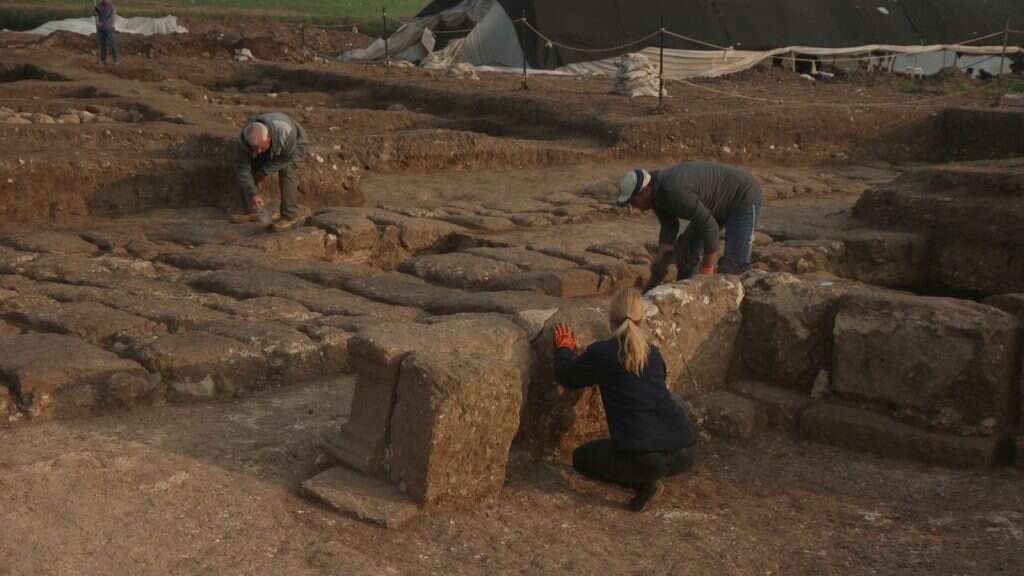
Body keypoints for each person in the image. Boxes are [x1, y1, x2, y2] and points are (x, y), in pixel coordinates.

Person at [552, 287, 698, 512]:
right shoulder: (653, 353)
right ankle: (649, 476)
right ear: (640, 321)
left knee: (581, 459)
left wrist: (564, 350)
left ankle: (644, 483)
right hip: (685, 451)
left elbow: (566, 376)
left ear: (611, 320)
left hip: (646, 458)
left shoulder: (603, 353)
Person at [617, 161, 764, 290]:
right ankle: (686, 295)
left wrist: (706, 273)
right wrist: (661, 263)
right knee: (686, 253)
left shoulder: (673, 190)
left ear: (644, 191)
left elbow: (710, 228)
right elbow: (670, 225)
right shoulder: (655, 196)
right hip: (713, 206)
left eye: (633, 201)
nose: (634, 207)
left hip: (742, 197)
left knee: (733, 270)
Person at [232, 112, 309, 231]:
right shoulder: (243, 140)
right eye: (254, 149)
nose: (258, 152)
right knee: (252, 166)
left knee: (287, 171)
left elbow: (286, 158)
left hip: (295, 146)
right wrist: (253, 194)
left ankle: (289, 216)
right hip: (274, 146)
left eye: (261, 148)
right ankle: (253, 210)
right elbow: (243, 169)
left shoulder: (285, 132)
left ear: (268, 138)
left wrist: (265, 171)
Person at [94, 0, 119, 65]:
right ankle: (103, 60)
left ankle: (116, 61)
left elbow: (111, 19)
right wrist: (95, 11)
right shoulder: (100, 5)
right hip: (101, 29)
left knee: (113, 44)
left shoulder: (112, 7)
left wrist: (101, 23)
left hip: (109, 28)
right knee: (103, 45)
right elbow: (97, 14)